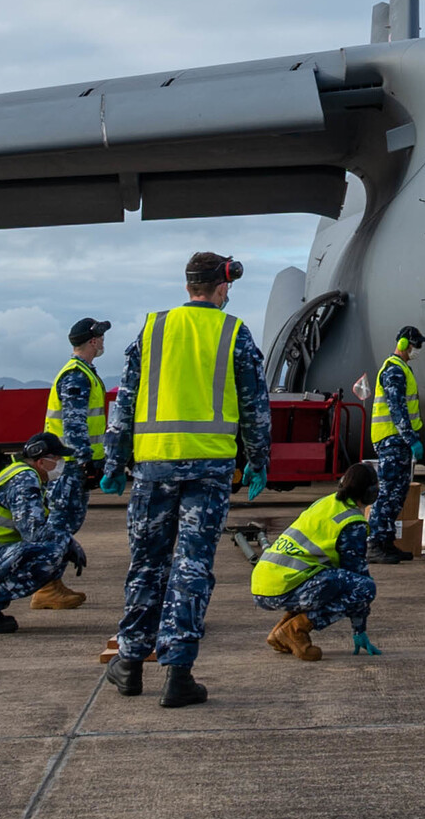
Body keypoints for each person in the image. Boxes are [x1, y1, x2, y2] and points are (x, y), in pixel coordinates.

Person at [99, 250, 271, 709]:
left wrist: (114, 462)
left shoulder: (153, 329)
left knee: (147, 565)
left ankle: (131, 664)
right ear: (220, 288)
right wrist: (258, 459)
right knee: (192, 567)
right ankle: (179, 674)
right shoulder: (233, 331)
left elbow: (126, 402)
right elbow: (256, 405)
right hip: (209, 470)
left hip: (153, 467)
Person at [0, 433, 86, 633]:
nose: (61, 463)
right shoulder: (24, 479)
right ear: (41, 461)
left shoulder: (25, 475)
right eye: (57, 458)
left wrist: (67, 542)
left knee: (58, 546)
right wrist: (68, 537)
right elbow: (34, 533)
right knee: (51, 552)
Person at [251, 460, 382, 658]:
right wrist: (359, 630)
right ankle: (295, 630)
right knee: (364, 587)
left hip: (263, 586)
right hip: (284, 588)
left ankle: (280, 631)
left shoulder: (326, 503)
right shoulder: (352, 523)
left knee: (329, 580)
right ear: (369, 493)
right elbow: (359, 579)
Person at [36, 316, 110, 582]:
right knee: (59, 524)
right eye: (100, 338)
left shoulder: (84, 371)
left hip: (70, 464)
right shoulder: (77, 375)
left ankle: (52, 583)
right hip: (68, 466)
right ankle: (46, 586)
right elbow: (74, 423)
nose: (103, 342)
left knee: (66, 524)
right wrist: (85, 462)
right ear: (92, 341)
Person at [368, 326, 425, 564]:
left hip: (397, 441)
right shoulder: (394, 371)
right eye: (416, 345)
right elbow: (396, 408)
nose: (418, 350)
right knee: (388, 493)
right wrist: (411, 438)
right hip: (392, 439)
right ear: (404, 344)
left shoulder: (403, 369)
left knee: (398, 493)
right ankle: (375, 544)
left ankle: (386, 541)